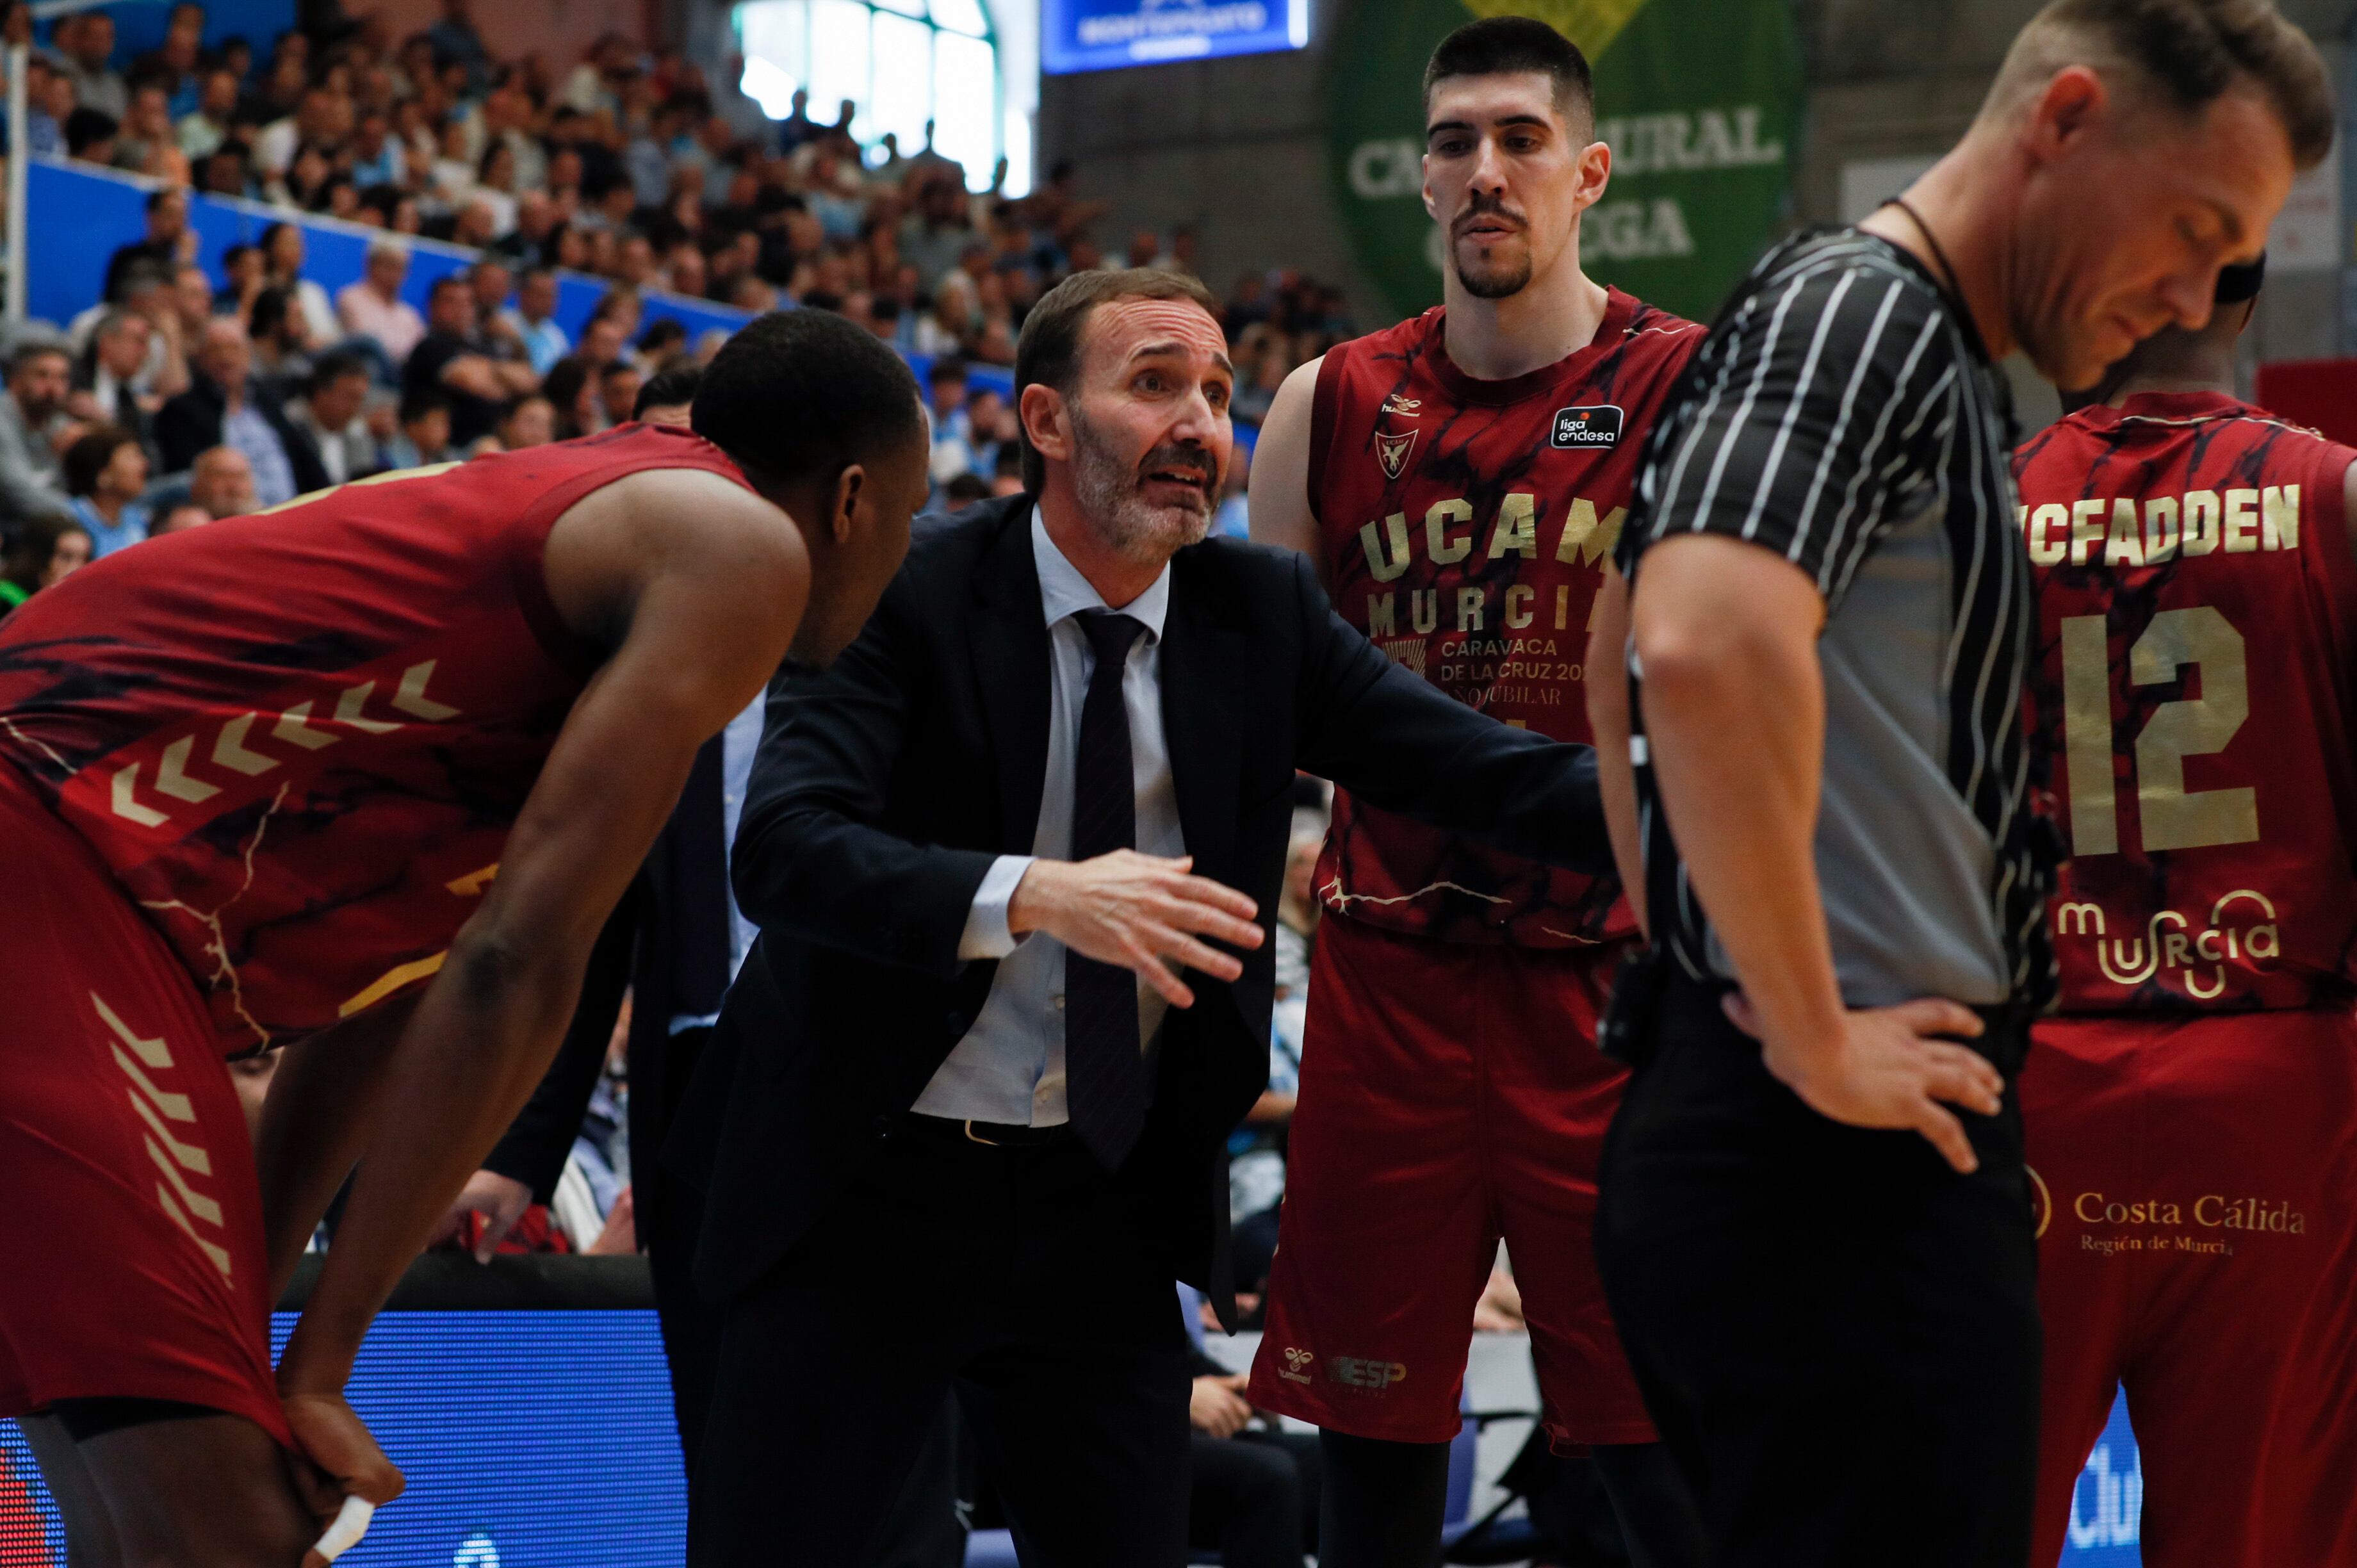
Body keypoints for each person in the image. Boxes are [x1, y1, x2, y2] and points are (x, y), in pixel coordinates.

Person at [679, 266, 1616, 1565]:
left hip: (1099, 1197)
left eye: (1218, 395)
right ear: (1047, 423)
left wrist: (1724, 805)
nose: (1199, 425)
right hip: (865, 1178)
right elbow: (783, 849)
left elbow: (1485, 771)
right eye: (1155, 385)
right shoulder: (914, 590)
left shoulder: (1259, 614)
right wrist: (1032, 894)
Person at [0, 307, 931, 1566]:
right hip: (51, 849)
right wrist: (322, 1363)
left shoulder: (550, 589)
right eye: (912, 518)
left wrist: (272, 1344)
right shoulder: (736, 545)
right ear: (855, 499)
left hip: (72, 876)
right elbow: (519, 963)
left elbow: (379, 1009)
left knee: (145, 1514)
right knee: (227, 1537)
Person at [1583, 3, 2329, 1564]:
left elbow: (1615, 625)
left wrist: (1690, 941)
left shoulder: (1931, 373)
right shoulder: (1866, 311)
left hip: (1877, 1109)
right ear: (2063, 119)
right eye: (2193, 229)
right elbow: (1697, 640)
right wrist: (1795, 1022)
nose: (2197, 295)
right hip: (1841, 1144)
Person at [1244, 21, 1706, 1565]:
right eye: (1452, 141)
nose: (1481, 170)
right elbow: (1256, 714)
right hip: (1388, 967)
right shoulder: (1325, 401)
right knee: (1366, 1450)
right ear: (1420, 175)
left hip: (1614, 973)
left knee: (1655, 1440)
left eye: (1516, 138)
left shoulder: (1688, 385)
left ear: (1586, 172)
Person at [2013, 254, 2357, 1568]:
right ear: (2245, 289)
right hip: (2278, 1090)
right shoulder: (2332, 502)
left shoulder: (1971, 514)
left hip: (2029, 1092)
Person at [154, 318, 327, 506]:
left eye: (234, 348)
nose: (226, 358)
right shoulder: (183, 410)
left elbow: (305, 460)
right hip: (231, 517)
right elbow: (189, 480)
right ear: (201, 357)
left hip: (291, 510)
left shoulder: (267, 399)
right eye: (217, 349)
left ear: (248, 356)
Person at [404, 275, 535, 451]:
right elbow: (479, 386)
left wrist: (512, 342)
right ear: (432, 306)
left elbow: (529, 381)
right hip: (451, 445)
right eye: (451, 302)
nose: (461, 309)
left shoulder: (483, 346)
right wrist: (504, 376)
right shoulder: (430, 347)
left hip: (495, 439)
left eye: (468, 303)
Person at [0, 342, 79, 525]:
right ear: (16, 381)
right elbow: (20, 493)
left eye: (62, 378)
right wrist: (87, 515)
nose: (53, 387)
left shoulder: (61, 424)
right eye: (42, 376)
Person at [288, 352, 382, 486]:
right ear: (322, 393)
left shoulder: (357, 432)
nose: (356, 409)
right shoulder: (290, 428)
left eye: (360, 400)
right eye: (351, 398)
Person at [61, 423, 151, 558]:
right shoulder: (70, 518)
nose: (144, 464)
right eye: (131, 457)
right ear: (103, 475)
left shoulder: (137, 518)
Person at [336, 243, 427, 368]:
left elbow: (420, 353)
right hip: (369, 368)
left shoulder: (410, 314)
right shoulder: (351, 298)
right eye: (390, 266)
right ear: (371, 266)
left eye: (401, 268)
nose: (395, 274)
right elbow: (365, 342)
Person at [104, 189, 190, 307]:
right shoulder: (129, 258)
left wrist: (186, 263)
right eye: (171, 214)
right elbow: (154, 303)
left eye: (182, 216)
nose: (178, 223)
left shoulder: (180, 264)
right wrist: (184, 264)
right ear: (151, 216)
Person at [0, 513, 92, 616]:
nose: (77, 568)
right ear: (37, 558)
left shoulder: (77, 609)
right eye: (66, 557)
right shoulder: (5, 600)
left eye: (84, 559)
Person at [502, 266, 570, 377]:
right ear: (524, 294)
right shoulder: (503, 323)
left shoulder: (557, 338)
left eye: (553, 296)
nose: (550, 301)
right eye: (543, 295)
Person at [188, 445, 259, 519]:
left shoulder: (267, 521)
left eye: (240, 477)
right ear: (198, 485)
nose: (234, 488)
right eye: (223, 477)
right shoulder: (185, 525)